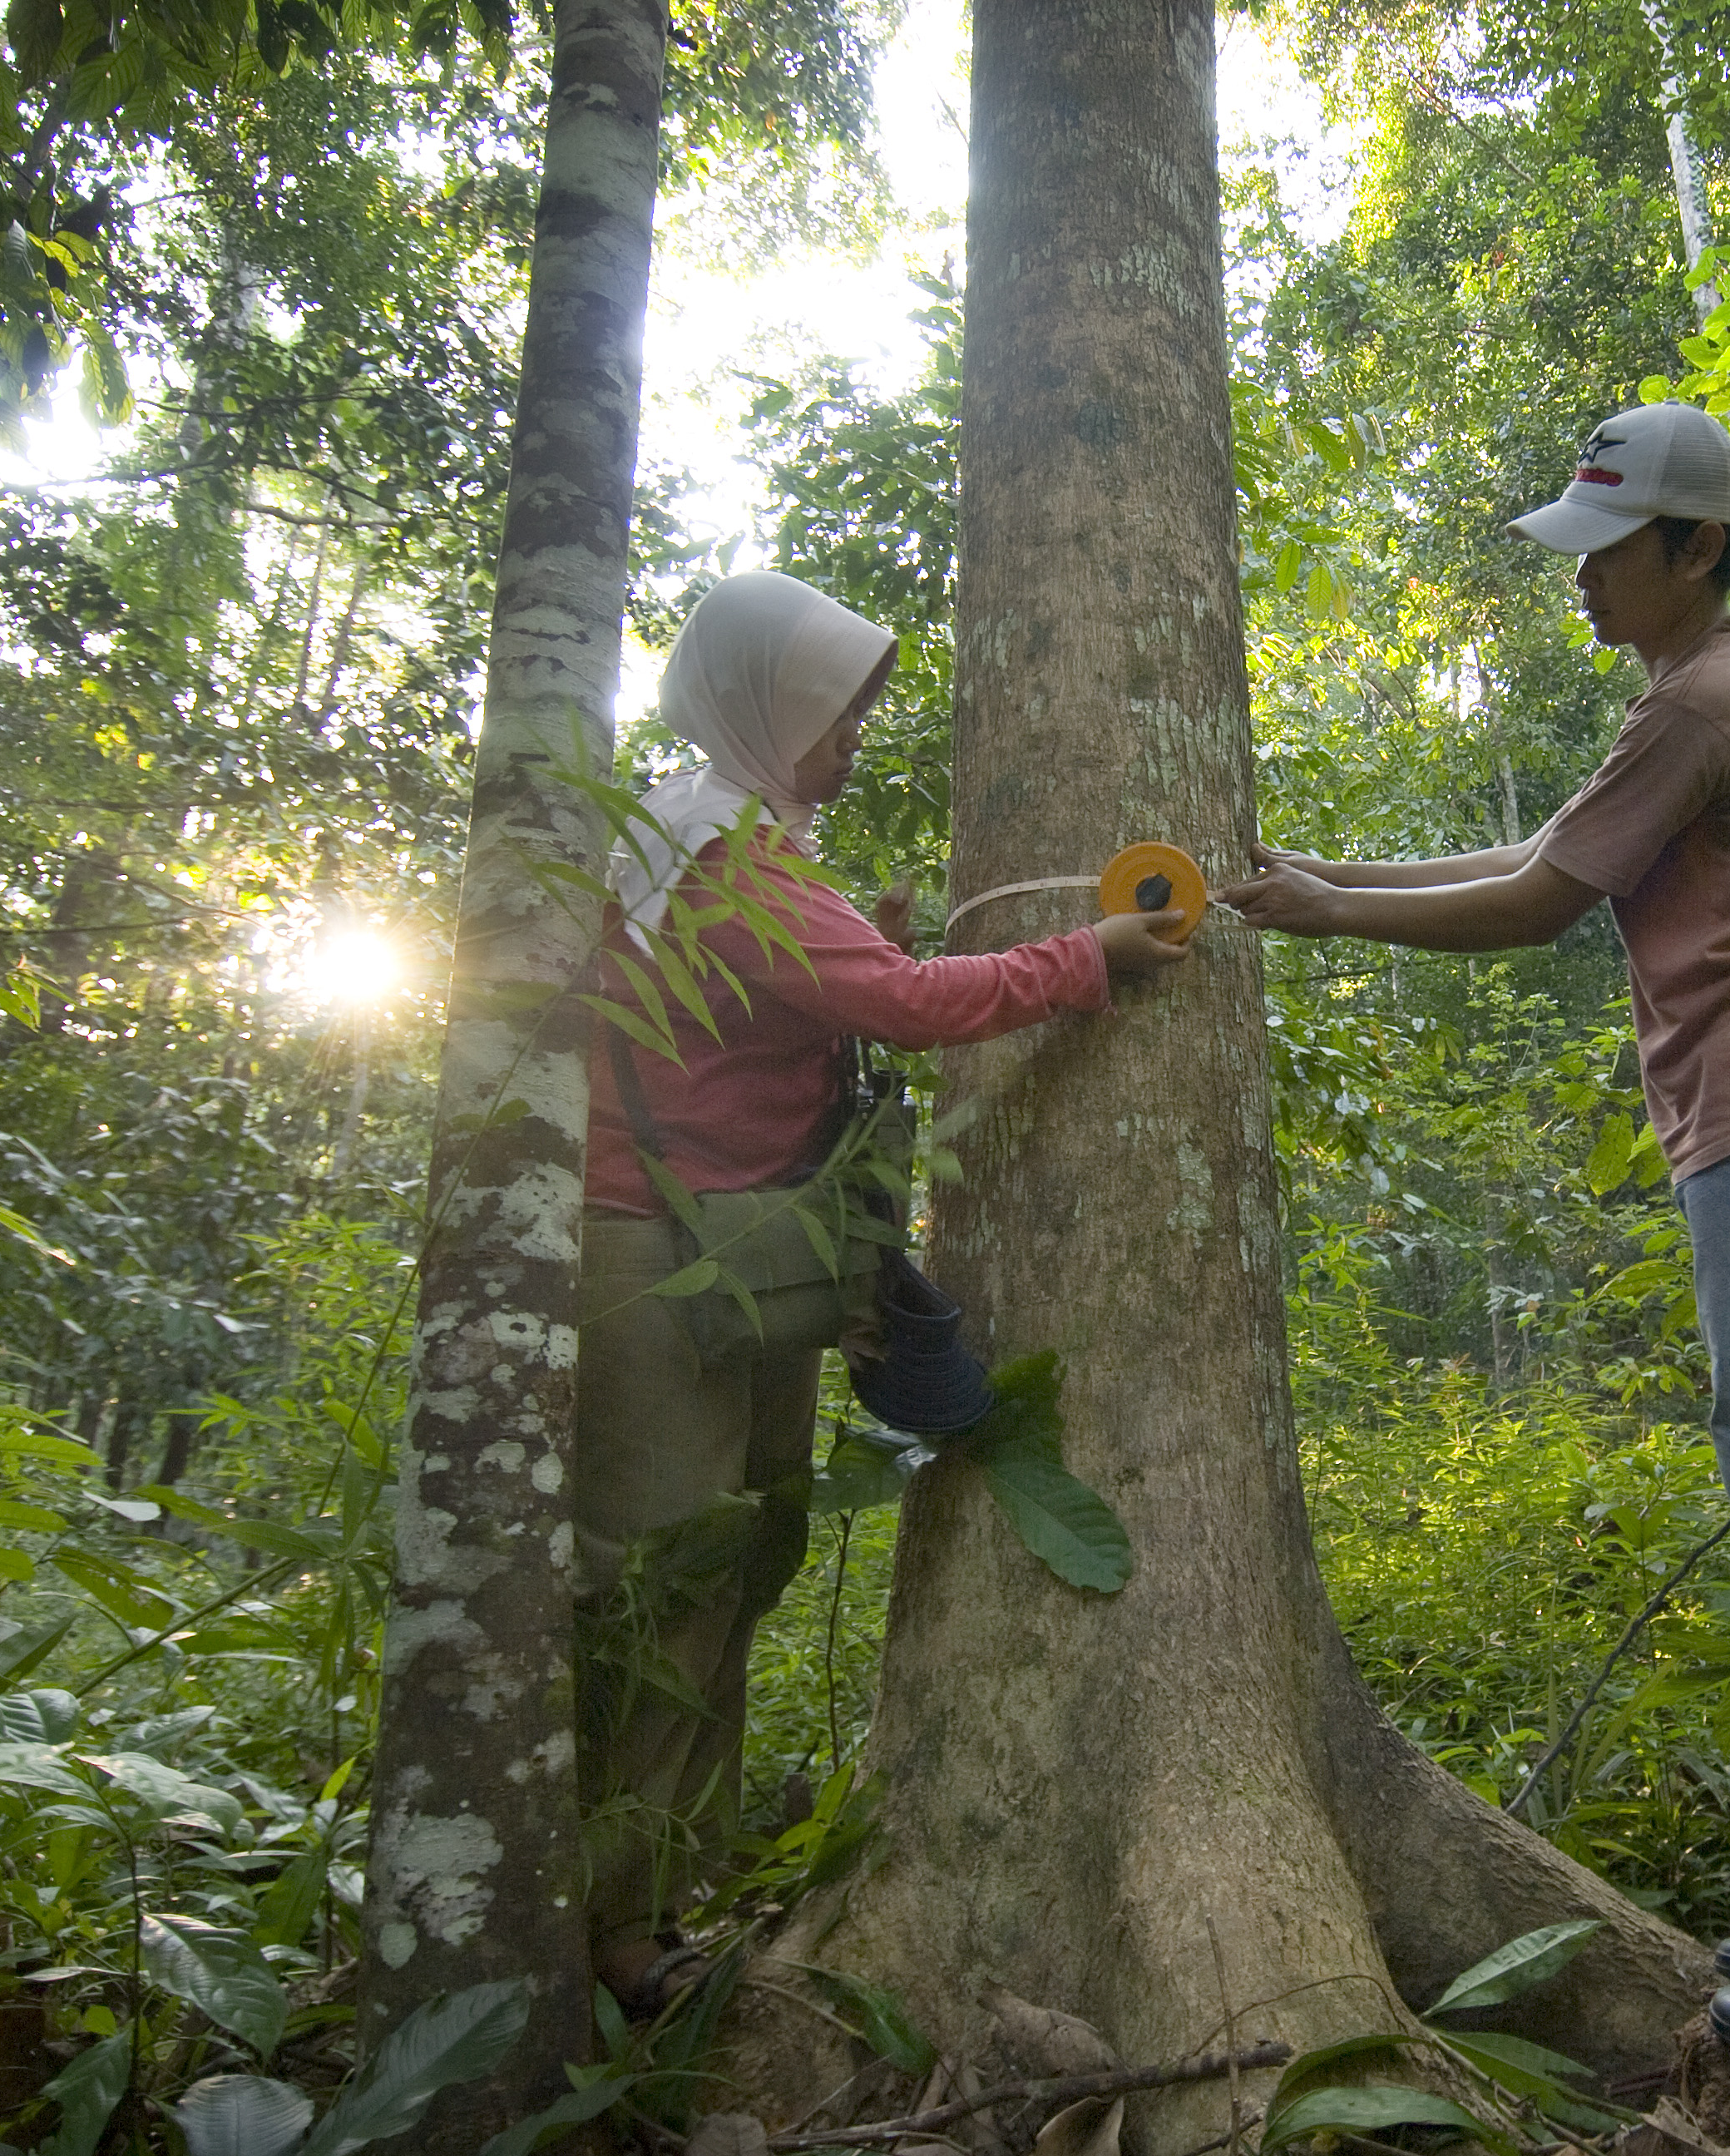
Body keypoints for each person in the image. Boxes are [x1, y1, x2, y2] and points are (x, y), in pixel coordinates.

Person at [1215, 403, 1730, 2059]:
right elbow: (1549, 849)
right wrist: (1321, 872)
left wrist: (1327, 916)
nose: (1581, 586)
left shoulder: (1703, 697)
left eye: (1607, 554)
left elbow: (1535, 905)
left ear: (1695, 548)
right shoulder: (1699, 697)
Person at [577, 571, 1189, 2016]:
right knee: (662, 1586)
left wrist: (869, 936)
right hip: (658, 1265)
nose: (853, 738)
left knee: (736, 1563)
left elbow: (797, 996)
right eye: (833, 711)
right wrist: (1088, 957)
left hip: (739, 1251)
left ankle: (655, 1897)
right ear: (761, 708)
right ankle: (598, 1926)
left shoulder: (701, 834)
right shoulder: (722, 861)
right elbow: (909, 1007)